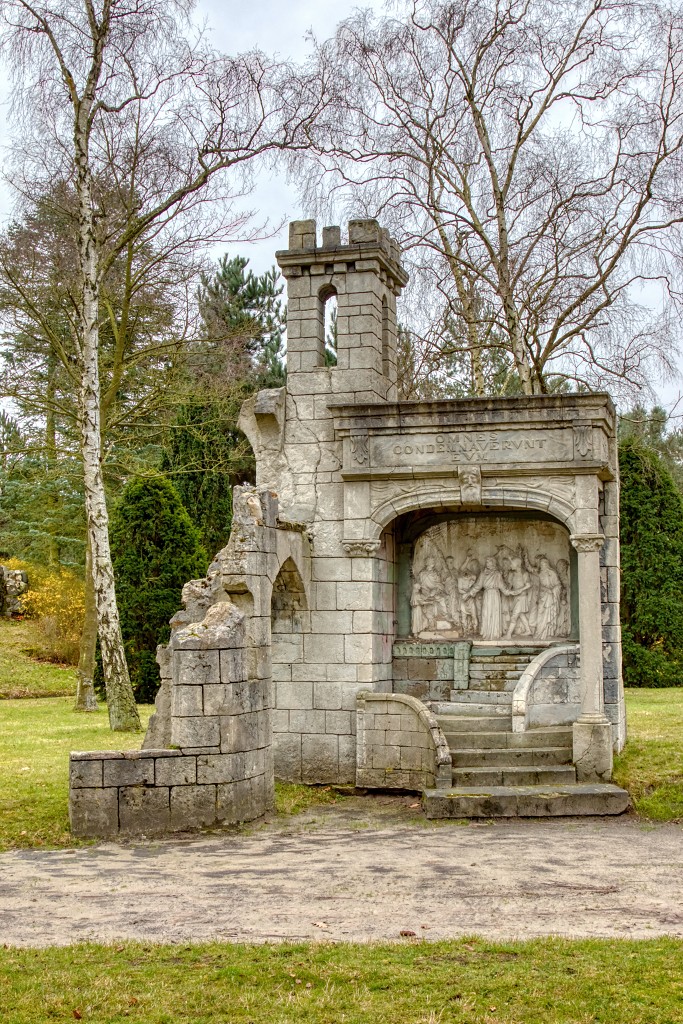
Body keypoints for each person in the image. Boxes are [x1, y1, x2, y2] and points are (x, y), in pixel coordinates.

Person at [467, 555, 512, 639]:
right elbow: (478, 586)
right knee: (485, 613)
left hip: (495, 595)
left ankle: (495, 634)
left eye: (488, 561)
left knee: (494, 613)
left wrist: (511, 592)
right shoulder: (483, 573)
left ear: (493, 562)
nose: (487, 563)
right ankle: (486, 633)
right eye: (486, 561)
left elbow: (503, 588)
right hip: (487, 595)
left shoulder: (497, 574)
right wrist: (469, 593)